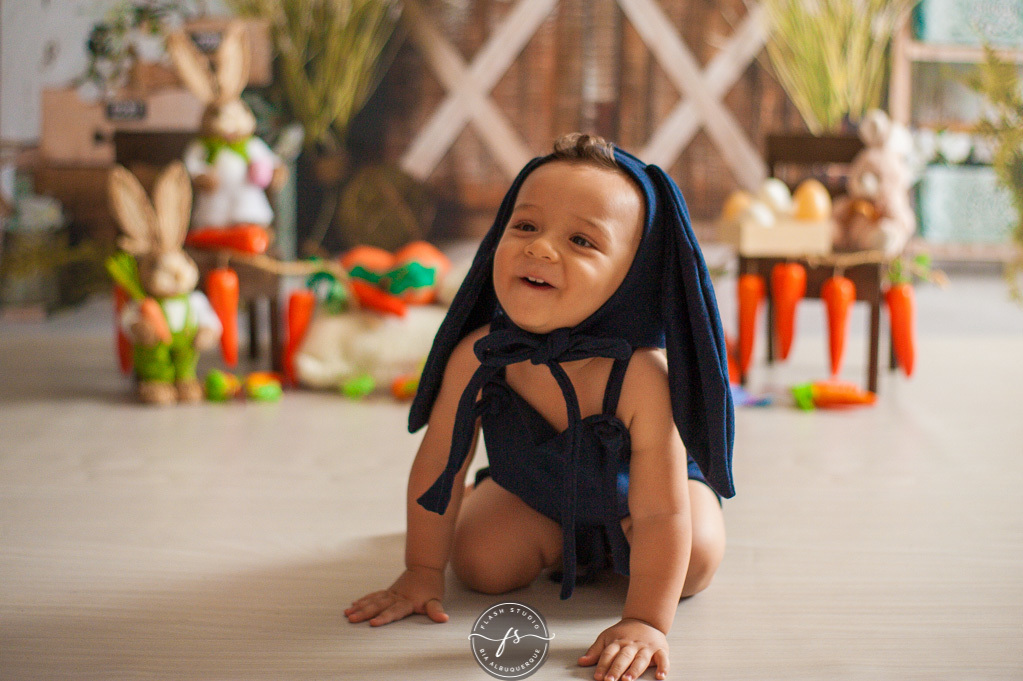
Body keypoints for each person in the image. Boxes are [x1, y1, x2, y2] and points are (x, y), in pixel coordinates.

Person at [345, 133, 734, 681]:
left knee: (694, 558)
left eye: (581, 240)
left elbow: (661, 513)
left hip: (643, 503)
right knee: (479, 562)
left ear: (634, 275)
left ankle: (621, 557)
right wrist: (421, 570)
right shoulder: (482, 356)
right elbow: (440, 465)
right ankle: (553, 535)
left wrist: (646, 620)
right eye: (525, 226)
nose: (540, 248)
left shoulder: (642, 376)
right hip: (540, 493)